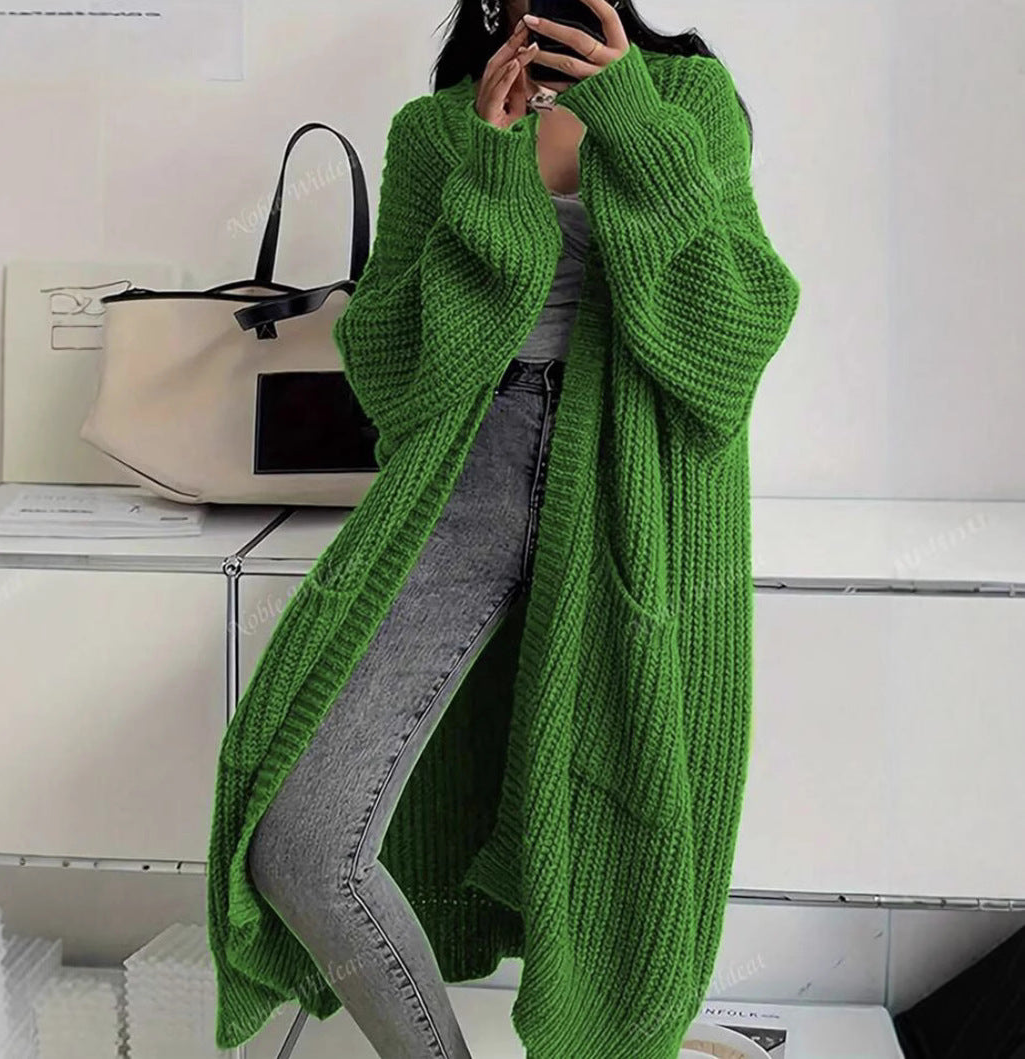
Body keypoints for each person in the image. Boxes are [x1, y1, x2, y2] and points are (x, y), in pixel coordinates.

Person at [219, 1, 800, 1056]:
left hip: (635, 492)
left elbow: (729, 344)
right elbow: (394, 371)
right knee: (300, 842)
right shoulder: (436, 129)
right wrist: (488, 173)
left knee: (619, 841)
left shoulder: (685, 98)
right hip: (463, 478)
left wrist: (631, 124)